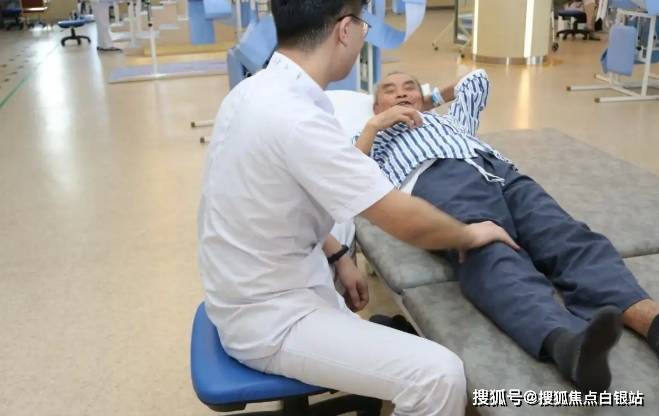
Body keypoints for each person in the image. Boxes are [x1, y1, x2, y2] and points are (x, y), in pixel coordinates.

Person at [198, 1, 523, 414]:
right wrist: (470, 233)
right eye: (365, 28)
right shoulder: (297, 118)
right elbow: (402, 218)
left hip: (253, 283)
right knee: (440, 376)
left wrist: (337, 253)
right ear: (345, 30)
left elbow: (279, 202)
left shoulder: (252, 92)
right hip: (271, 319)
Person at [353, 69, 659, 393]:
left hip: (501, 173)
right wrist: (375, 124)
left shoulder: (451, 122)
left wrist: (426, 100)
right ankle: (568, 344)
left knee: (569, 237)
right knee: (489, 254)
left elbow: (477, 79)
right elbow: (348, 177)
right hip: (439, 181)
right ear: (376, 106)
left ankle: (649, 320)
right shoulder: (373, 137)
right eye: (390, 90)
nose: (401, 93)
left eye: (409, 87)